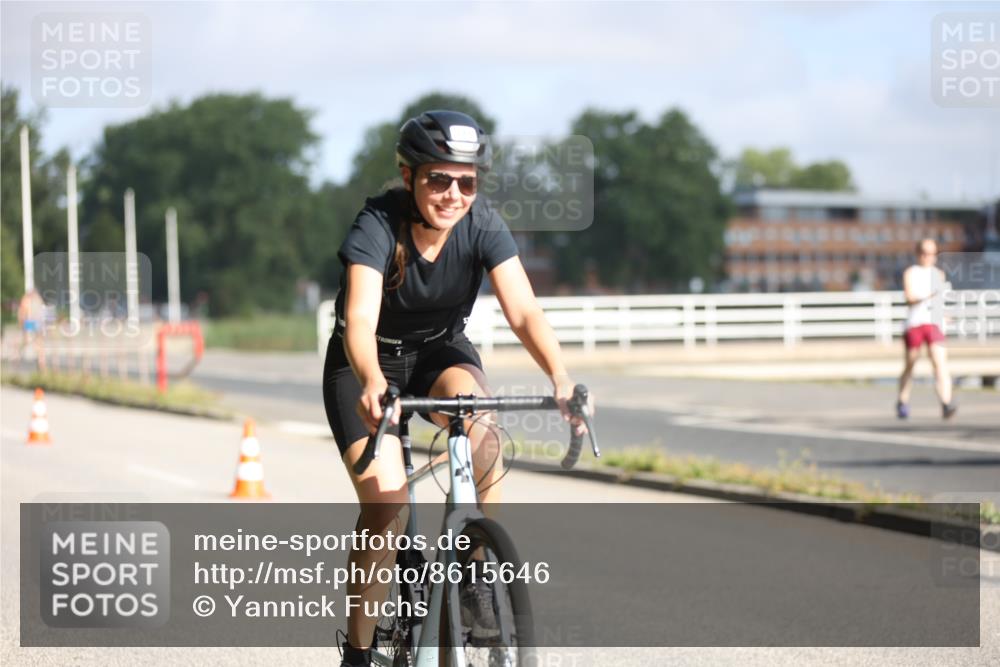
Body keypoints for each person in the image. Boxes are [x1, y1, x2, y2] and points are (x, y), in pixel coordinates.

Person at [322, 110, 589, 667]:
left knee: (484, 432)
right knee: (388, 505)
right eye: (438, 179)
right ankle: (360, 648)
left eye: (466, 182)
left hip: (439, 351)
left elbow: (524, 312)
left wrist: (559, 377)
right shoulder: (376, 224)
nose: (453, 194)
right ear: (409, 175)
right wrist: (373, 383)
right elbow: (360, 318)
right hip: (367, 361)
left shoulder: (483, 223)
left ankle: (470, 570)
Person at [896, 238, 956, 420]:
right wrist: (927, 296)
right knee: (910, 364)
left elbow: (938, 303)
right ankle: (902, 401)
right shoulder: (910, 273)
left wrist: (944, 315)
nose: (928, 257)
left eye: (932, 253)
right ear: (918, 253)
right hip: (915, 323)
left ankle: (946, 403)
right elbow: (909, 299)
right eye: (925, 252)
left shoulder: (939, 274)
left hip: (933, 324)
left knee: (939, 364)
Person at [16, 288, 47, 371]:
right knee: (36, 343)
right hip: (33, 323)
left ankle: (41, 362)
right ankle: (41, 362)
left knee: (32, 342)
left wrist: (21, 322)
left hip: (31, 323)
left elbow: (22, 312)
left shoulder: (27, 299)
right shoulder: (36, 299)